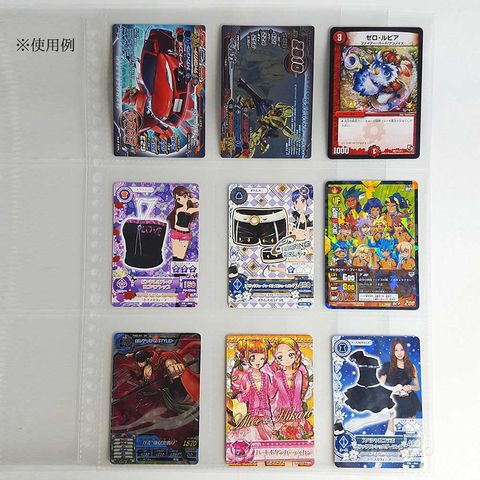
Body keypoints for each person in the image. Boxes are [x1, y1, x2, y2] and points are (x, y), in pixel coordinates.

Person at [379, 338, 421, 435]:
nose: (399, 353)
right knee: (391, 428)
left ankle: (411, 444)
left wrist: (409, 387)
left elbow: (417, 387)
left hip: (409, 400)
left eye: (401, 349)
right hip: (394, 400)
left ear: (405, 350)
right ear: (393, 352)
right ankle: (387, 444)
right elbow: (380, 386)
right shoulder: (387, 366)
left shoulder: (411, 367)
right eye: (396, 350)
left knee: (411, 431)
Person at [166, 186, 199, 261]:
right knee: (175, 257)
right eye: (177, 199)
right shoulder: (178, 210)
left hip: (185, 235)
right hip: (175, 233)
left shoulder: (191, 210)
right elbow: (175, 222)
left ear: (186, 196)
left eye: (179, 199)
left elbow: (204, 207)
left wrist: (195, 200)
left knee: (180, 257)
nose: (178, 201)